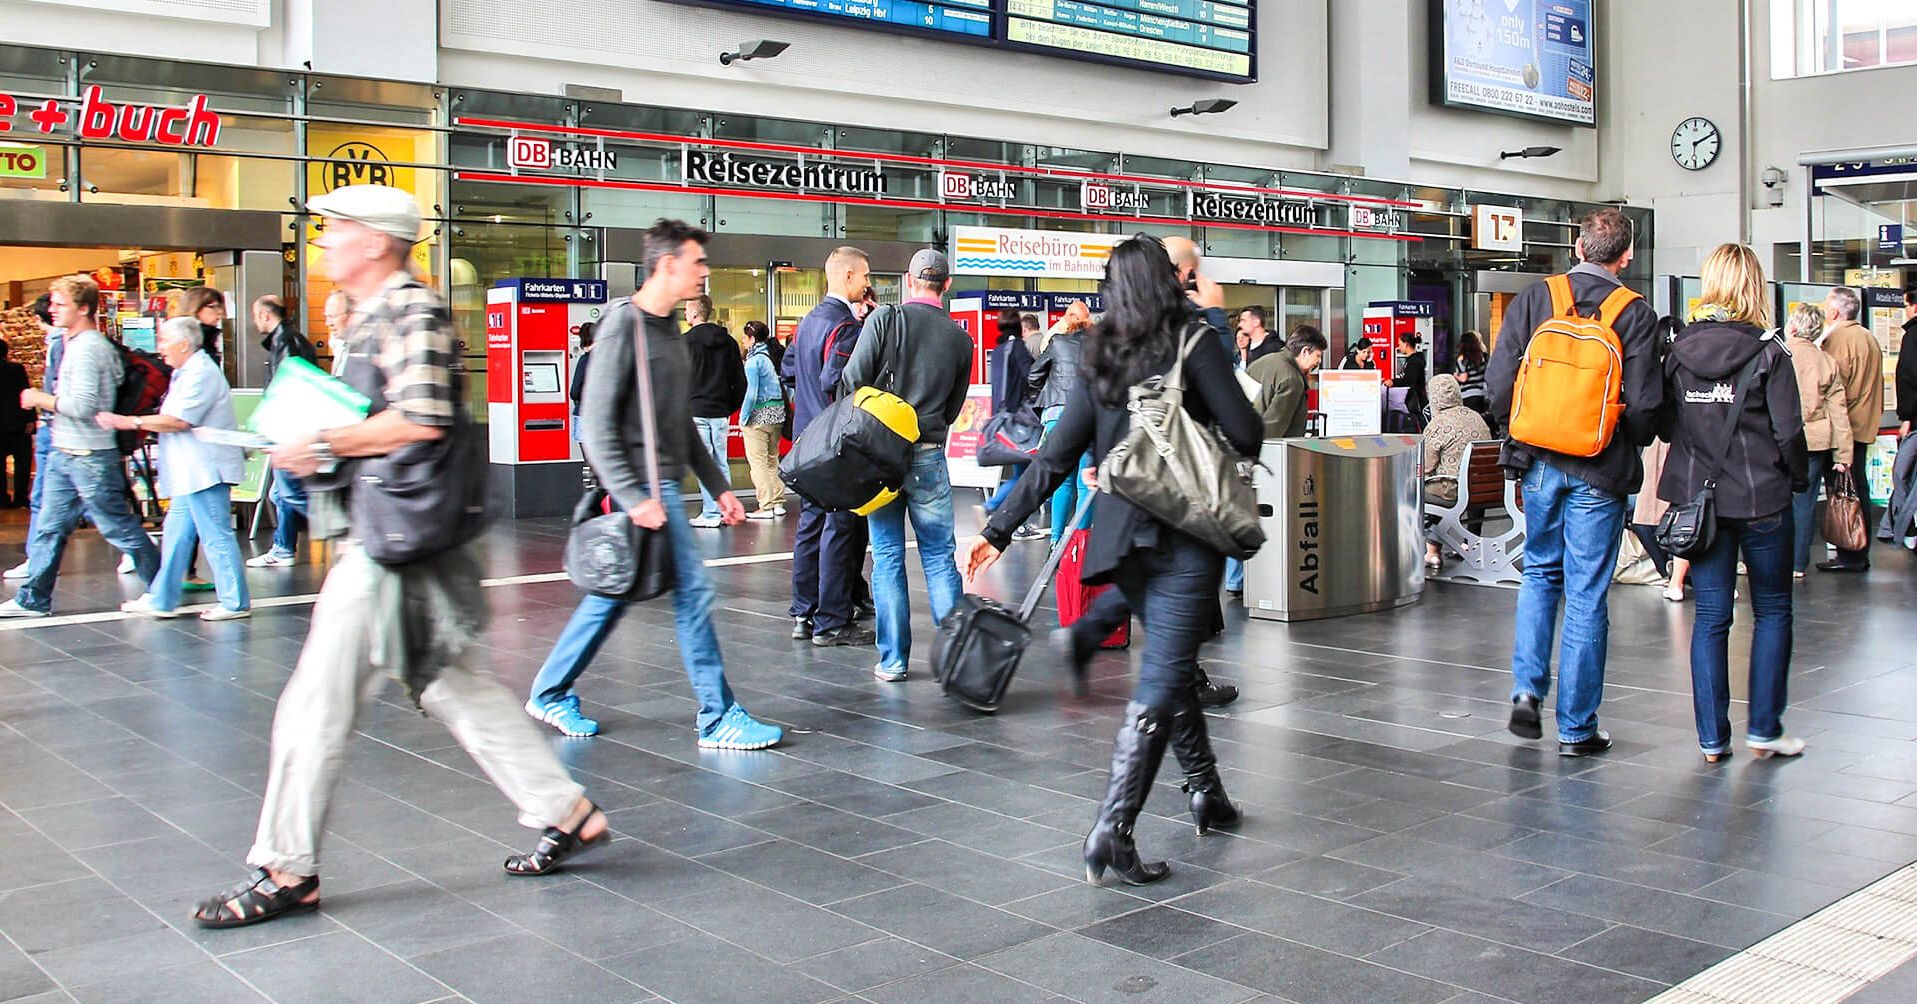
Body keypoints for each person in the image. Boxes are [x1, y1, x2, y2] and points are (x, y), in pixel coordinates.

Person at [190, 184, 605, 930]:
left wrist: (320, 442)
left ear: (375, 240)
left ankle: (287, 866)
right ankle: (565, 809)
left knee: (315, 704)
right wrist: (322, 449)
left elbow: (418, 419)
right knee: (455, 685)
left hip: (391, 550)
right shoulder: (375, 317)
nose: (322, 242)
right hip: (389, 536)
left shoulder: (412, 310)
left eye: (333, 229)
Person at [963, 234, 1262, 886]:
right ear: (1167, 280)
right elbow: (1246, 433)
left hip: (1122, 539)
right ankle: (1111, 830)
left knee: (1172, 666)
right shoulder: (1194, 341)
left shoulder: (1099, 352)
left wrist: (999, 528)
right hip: (1185, 537)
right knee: (1161, 682)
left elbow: (1055, 454)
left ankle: (1205, 792)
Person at [525, 220, 784, 749]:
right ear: (667, 265)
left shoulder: (668, 329)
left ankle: (550, 691)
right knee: (691, 595)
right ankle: (717, 716)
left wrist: (718, 486)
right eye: (697, 263)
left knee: (612, 595)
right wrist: (633, 496)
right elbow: (594, 426)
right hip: (641, 489)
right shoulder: (624, 325)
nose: (704, 273)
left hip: (658, 486)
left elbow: (676, 422)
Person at [1485, 208, 1662, 757]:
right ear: (1625, 256)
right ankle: (1577, 728)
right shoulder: (1635, 313)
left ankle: (1525, 691)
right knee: (1586, 593)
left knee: (1539, 574)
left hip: (1538, 461)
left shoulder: (1537, 298)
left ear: (1577, 246)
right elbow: (1648, 407)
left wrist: (1518, 438)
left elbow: (1498, 382)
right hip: (1600, 469)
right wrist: (1619, 433)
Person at [1658, 244, 1808, 763]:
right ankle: (1765, 730)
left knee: (1712, 617)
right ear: (1755, 286)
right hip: (1764, 498)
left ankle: (1711, 740)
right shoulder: (1771, 352)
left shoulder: (1678, 354)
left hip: (1703, 505)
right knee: (1771, 611)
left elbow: (1666, 424)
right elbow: (1789, 433)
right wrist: (1798, 477)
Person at [840, 249, 972, 683]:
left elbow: (852, 380)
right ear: (946, 285)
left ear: (910, 280)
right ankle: (955, 659)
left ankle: (893, 660)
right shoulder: (960, 338)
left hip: (883, 454)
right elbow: (953, 409)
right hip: (930, 454)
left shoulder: (883, 320)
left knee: (889, 556)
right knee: (939, 556)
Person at [0, 276, 161, 618]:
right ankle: (34, 598)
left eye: (61, 304)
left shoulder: (89, 348)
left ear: (84, 308)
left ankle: (163, 587)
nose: (52, 309)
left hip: (88, 454)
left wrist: (39, 399)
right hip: (68, 450)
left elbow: (86, 406)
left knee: (117, 526)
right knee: (49, 525)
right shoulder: (75, 343)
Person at [100, 318, 250, 620]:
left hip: (205, 471)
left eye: (164, 340)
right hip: (190, 472)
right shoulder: (187, 372)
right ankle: (161, 597)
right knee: (176, 536)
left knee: (215, 535)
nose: (160, 347)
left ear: (184, 343)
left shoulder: (202, 373)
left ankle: (235, 602)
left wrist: (132, 421)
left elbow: (179, 420)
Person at [784, 246, 877, 648]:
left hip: (806, 438)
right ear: (850, 277)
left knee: (811, 525)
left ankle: (803, 613)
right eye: (866, 276)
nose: (869, 283)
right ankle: (833, 620)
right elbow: (836, 381)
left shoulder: (807, 323)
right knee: (839, 528)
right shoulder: (844, 328)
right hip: (833, 443)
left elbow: (790, 370)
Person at [247, 295, 319, 568]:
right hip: (291, 429)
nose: (255, 323)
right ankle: (283, 546)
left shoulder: (285, 343)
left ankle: (347, 532)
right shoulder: (288, 340)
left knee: (287, 493)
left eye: (256, 316)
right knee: (282, 493)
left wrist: (274, 429)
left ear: (266, 315)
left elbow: (287, 390)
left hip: (289, 430)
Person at [1815, 286, 1883, 573]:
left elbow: (1833, 387)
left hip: (1844, 430)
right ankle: (1858, 549)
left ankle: (1850, 551)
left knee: (1843, 492)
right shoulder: (1868, 337)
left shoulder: (1838, 340)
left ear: (1834, 311)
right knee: (1858, 489)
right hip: (1864, 425)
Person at [1784, 302, 1852, 580]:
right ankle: (1798, 564)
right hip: (1815, 442)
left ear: (1793, 326)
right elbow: (1839, 411)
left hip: (1779, 438)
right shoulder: (1826, 361)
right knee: (1804, 504)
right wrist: (1843, 455)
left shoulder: (1780, 354)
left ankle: (1769, 560)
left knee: (1772, 502)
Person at [5, 296, 64, 580]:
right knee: (44, 498)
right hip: (45, 429)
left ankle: (37, 561)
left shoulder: (65, 345)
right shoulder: (64, 345)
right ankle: (36, 560)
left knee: (101, 505)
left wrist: (38, 401)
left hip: (60, 433)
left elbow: (72, 397)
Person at [1029, 299, 1092, 542]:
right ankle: (1080, 546)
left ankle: (1055, 544)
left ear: (1066, 319)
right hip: (1087, 418)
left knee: (1063, 482)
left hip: (1057, 418)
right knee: (1085, 483)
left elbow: (1034, 376)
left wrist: (1044, 403)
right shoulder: (1100, 347)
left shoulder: (1057, 342)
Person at [684, 294, 745, 529]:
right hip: (720, 412)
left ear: (696, 312)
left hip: (696, 409)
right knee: (721, 462)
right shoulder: (729, 342)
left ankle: (710, 513)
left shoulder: (686, 342)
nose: (686, 314)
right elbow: (740, 382)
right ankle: (724, 511)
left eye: (688, 309)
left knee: (704, 462)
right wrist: (729, 406)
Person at [1420, 374, 1492, 571]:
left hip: (1452, 490)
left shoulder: (1438, 424)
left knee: (1417, 491)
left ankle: (1433, 551)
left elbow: (1425, 466)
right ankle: (1470, 544)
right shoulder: (1476, 416)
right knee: (1462, 483)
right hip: (1483, 489)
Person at [982, 308, 1043, 538]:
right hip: (1020, 420)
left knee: (1021, 470)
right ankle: (1001, 511)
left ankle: (1002, 512)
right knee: (1024, 473)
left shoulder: (997, 350)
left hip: (1001, 419)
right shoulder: (1018, 347)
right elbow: (1032, 376)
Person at [739, 320, 787, 519]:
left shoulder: (753, 361)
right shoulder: (769, 357)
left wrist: (743, 418)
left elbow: (751, 393)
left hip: (758, 415)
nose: (742, 341)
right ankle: (777, 501)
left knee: (757, 461)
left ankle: (765, 505)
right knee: (771, 459)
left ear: (751, 339)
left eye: (744, 337)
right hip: (777, 414)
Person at [1249, 324, 1327, 439]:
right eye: (1318, 356)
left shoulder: (1261, 362)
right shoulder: (1292, 379)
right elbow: (1274, 428)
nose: (1319, 361)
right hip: (1269, 450)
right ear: (1305, 351)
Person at [0, 340, 28, 508]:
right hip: (17, 422)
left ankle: (2, 499)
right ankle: (21, 498)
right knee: (22, 463)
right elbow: (24, 393)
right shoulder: (16, 369)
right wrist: (30, 419)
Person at [179, 285, 226, 367]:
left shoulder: (214, 337)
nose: (220, 311)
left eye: (220, 306)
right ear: (195, 308)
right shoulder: (189, 340)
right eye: (213, 307)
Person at [1454, 329, 1491, 425]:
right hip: (1481, 393)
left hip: (1467, 395)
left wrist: (1455, 376)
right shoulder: (1483, 357)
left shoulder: (1462, 359)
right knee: (1480, 420)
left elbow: (1464, 378)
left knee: (1469, 422)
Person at [1392, 331, 1428, 431]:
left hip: (1416, 400)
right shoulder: (1415, 360)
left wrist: (1394, 382)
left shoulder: (1414, 362)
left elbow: (1408, 380)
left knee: (1420, 424)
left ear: (1406, 344)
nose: (1399, 347)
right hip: (1418, 399)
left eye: (1399, 344)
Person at [568, 320, 595, 443]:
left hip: (585, 412)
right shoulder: (611, 358)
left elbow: (575, 391)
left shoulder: (585, 360)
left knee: (589, 458)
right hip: (608, 415)